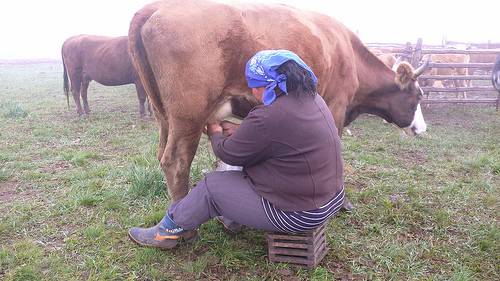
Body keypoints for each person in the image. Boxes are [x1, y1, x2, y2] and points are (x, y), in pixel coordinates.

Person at [128, 50, 345, 249]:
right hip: (330, 199)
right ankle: (233, 217)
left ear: (268, 86)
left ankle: (166, 233)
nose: (251, 91)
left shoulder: (267, 117)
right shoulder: (312, 99)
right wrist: (243, 131)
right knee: (242, 167)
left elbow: (228, 153)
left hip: (300, 214)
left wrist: (215, 132)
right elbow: (284, 136)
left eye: (254, 86)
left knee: (212, 186)